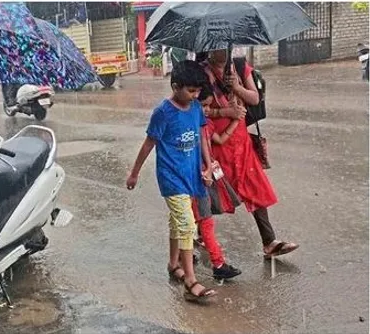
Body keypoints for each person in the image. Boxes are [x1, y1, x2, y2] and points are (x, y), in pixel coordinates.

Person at [126, 60, 217, 302]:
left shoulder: (196, 108)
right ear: (175, 86)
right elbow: (149, 144)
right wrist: (134, 173)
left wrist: (208, 165)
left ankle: (173, 263)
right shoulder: (163, 113)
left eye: (197, 91)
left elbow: (202, 137)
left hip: (191, 174)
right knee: (187, 224)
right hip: (171, 177)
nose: (195, 95)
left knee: (177, 222)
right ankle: (190, 280)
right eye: (190, 90)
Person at [202, 49, 299, 259]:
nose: (223, 51)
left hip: (241, 140)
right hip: (216, 141)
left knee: (254, 185)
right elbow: (198, 108)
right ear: (209, 48)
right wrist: (225, 112)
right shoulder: (202, 73)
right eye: (218, 46)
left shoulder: (238, 66)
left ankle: (269, 241)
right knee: (211, 189)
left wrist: (236, 87)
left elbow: (254, 98)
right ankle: (196, 232)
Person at [192, 85, 243, 280]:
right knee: (198, 221)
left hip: (204, 177)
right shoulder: (192, 125)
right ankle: (215, 262)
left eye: (207, 107)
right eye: (203, 106)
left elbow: (219, 140)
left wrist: (236, 121)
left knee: (202, 221)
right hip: (195, 178)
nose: (205, 110)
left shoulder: (206, 125)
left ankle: (214, 262)